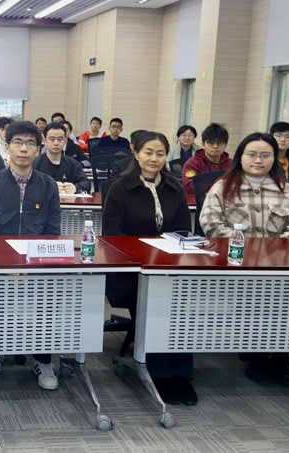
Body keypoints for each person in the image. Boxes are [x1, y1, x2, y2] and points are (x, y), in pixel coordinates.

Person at [199, 132, 289, 387]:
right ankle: (257, 355)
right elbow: (212, 224)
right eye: (252, 154)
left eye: (265, 155)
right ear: (241, 157)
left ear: (274, 158)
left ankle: (281, 358)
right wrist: (246, 250)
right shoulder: (223, 187)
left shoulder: (286, 190)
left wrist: (273, 254)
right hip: (237, 266)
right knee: (259, 298)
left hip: (278, 266)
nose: (258, 160)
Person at [102, 131, 196, 405]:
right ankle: (160, 374)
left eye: (160, 153)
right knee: (156, 306)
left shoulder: (174, 187)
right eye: (148, 152)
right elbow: (113, 237)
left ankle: (182, 374)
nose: (154, 158)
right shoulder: (120, 187)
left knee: (180, 308)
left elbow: (183, 232)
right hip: (133, 273)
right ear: (136, 153)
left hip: (168, 269)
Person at [0, 121, 62, 389]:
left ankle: (43, 359)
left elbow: (52, 232)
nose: (24, 149)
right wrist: (3, 265)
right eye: (18, 143)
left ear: (38, 149)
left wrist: (34, 265)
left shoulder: (48, 185)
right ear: (7, 147)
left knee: (46, 299)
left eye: (30, 143)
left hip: (37, 263)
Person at [33, 122, 91, 194]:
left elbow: (86, 183)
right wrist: (49, 187)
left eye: (60, 139)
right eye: (52, 139)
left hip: (68, 200)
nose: (56, 143)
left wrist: (76, 187)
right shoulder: (34, 164)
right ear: (44, 141)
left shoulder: (73, 164)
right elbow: (27, 185)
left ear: (65, 141)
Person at [181, 122, 233, 194]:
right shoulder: (192, 163)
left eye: (219, 143)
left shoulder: (232, 164)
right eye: (211, 143)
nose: (215, 146)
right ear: (203, 145)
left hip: (227, 199)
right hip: (199, 199)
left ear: (225, 145)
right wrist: (219, 187)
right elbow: (190, 185)